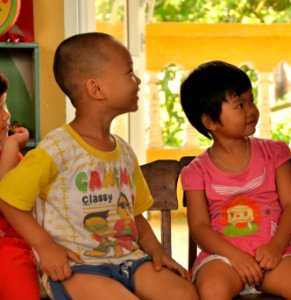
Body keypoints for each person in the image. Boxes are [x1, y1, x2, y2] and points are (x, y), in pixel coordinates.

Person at [0, 32, 198, 300]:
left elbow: (135, 215)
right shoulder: (55, 148)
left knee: (183, 293)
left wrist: (158, 252)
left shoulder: (125, 152)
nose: (137, 81)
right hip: (78, 269)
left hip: (131, 261)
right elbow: (8, 198)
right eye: (129, 72)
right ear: (96, 89)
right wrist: (45, 247)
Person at [180, 60, 291, 300]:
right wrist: (235, 257)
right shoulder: (196, 171)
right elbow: (199, 227)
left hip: (274, 252)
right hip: (223, 258)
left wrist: (276, 246)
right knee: (212, 290)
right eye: (240, 104)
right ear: (210, 122)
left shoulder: (274, 153)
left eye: (251, 100)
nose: (251, 110)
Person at [0, 71, 39, 299]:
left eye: (6, 104)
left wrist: (12, 147)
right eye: (0, 107)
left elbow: (5, 198)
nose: (7, 116)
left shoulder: (12, 155)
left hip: (12, 247)